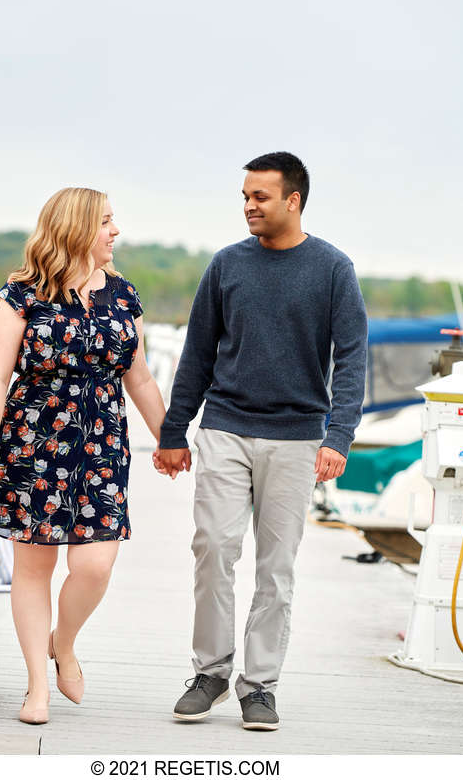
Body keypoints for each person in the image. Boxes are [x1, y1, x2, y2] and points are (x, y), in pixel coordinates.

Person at [154, 152, 368, 731]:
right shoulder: (227, 265)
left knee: (276, 569)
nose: (249, 206)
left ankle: (260, 686)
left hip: (298, 438)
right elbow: (197, 353)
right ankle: (210, 674)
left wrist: (339, 435)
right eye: (245, 196)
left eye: (261, 197)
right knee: (214, 549)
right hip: (224, 427)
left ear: (293, 200)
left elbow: (350, 361)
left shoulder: (332, 269)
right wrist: (175, 430)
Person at [0, 186, 170, 725]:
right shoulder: (20, 296)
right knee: (34, 568)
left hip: (102, 444)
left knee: (95, 564)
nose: (115, 231)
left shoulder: (124, 295)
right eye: (106, 221)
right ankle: (37, 686)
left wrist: (171, 439)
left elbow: (141, 377)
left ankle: (65, 642)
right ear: (78, 228)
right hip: (33, 444)